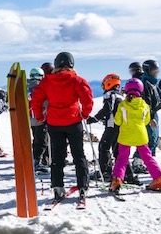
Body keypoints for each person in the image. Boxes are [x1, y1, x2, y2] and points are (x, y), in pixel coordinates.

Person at [30, 51, 93, 206]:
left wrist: (39, 117)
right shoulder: (77, 80)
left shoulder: (47, 81)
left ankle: (58, 188)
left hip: (54, 123)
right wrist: (84, 114)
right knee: (79, 155)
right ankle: (83, 187)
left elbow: (36, 100)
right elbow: (87, 99)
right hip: (73, 121)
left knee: (57, 157)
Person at [109, 78, 161, 194]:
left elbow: (117, 121)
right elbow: (147, 120)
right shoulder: (145, 105)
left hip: (125, 136)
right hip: (141, 135)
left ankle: (117, 181)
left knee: (122, 159)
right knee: (148, 158)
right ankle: (160, 180)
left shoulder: (123, 105)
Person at [88, 73, 122, 183]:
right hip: (120, 126)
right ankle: (121, 173)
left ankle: (105, 173)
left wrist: (95, 119)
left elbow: (107, 109)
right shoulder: (121, 96)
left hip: (111, 126)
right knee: (117, 150)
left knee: (104, 147)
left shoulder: (109, 95)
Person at [137, 60, 161, 155]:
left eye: (157, 69)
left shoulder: (153, 83)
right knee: (149, 138)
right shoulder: (145, 83)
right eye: (154, 70)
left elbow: (155, 98)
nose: (156, 71)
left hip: (153, 113)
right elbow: (146, 102)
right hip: (148, 115)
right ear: (148, 70)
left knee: (154, 138)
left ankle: (149, 161)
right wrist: (151, 117)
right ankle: (139, 160)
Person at [28, 67, 49, 173]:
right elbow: (44, 102)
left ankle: (41, 160)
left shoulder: (26, 87)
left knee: (36, 139)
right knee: (42, 141)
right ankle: (38, 162)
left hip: (31, 118)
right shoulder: (40, 87)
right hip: (41, 116)